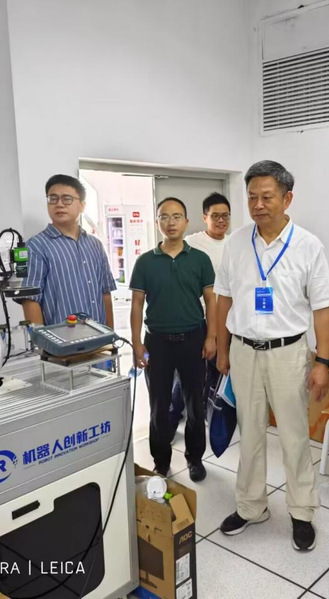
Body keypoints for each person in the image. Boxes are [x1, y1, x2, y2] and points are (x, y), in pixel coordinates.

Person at [215, 160, 329, 552]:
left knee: (294, 436)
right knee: (248, 432)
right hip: (243, 350)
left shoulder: (308, 246)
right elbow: (224, 298)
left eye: (267, 197)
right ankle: (251, 506)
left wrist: (323, 363)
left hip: (288, 353)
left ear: (287, 198)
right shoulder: (236, 242)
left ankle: (301, 512)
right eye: (252, 197)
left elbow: (323, 309)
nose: (258, 205)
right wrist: (221, 347)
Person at [130, 197, 217, 482]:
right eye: (164, 217)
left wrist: (212, 336)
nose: (171, 222)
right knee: (158, 406)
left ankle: (195, 458)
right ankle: (161, 462)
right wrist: (137, 344)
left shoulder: (200, 259)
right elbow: (137, 304)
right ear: (157, 222)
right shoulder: (145, 262)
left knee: (195, 405)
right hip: (157, 342)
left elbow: (211, 300)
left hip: (194, 339)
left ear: (186, 222)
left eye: (177, 216)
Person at [169, 192, 233, 431]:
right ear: (205, 217)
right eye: (215, 216)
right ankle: (172, 417)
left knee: (218, 370)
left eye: (225, 216)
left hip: (227, 320)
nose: (221, 221)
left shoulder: (234, 244)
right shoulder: (192, 243)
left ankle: (209, 416)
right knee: (189, 373)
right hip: (200, 320)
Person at [20, 174, 116, 327]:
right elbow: (30, 300)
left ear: (82, 205)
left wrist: (110, 335)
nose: (59, 204)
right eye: (53, 198)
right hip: (61, 339)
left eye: (66, 199)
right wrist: (40, 340)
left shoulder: (95, 245)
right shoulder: (36, 246)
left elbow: (105, 293)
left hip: (99, 336)